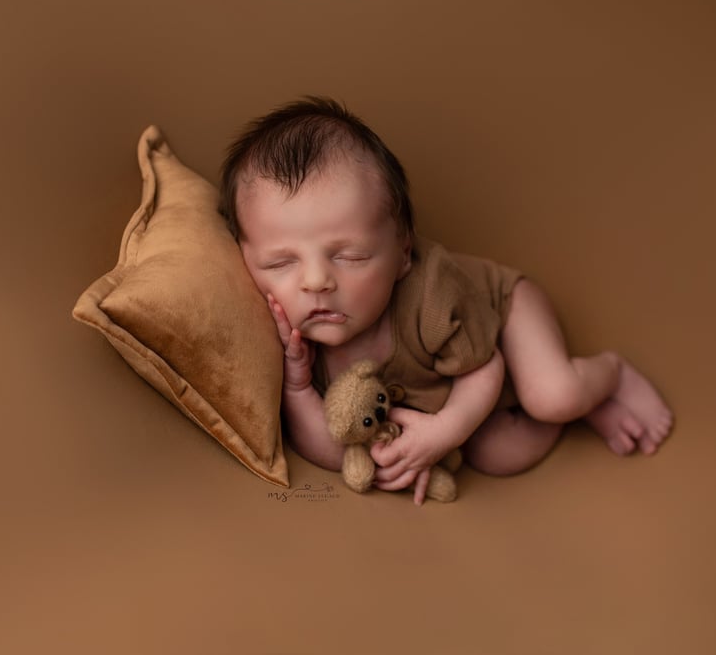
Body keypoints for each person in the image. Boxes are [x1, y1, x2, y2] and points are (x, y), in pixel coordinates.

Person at [218, 96, 674, 505]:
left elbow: (486, 364)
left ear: (403, 254)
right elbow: (331, 449)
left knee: (552, 395)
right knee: (502, 455)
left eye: (350, 255)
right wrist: (298, 388)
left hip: (495, 317)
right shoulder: (285, 334)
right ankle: (584, 411)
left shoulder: (433, 294)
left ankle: (606, 375)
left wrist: (444, 432)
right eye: (280, 264)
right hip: (447, 380)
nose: (316, 281)